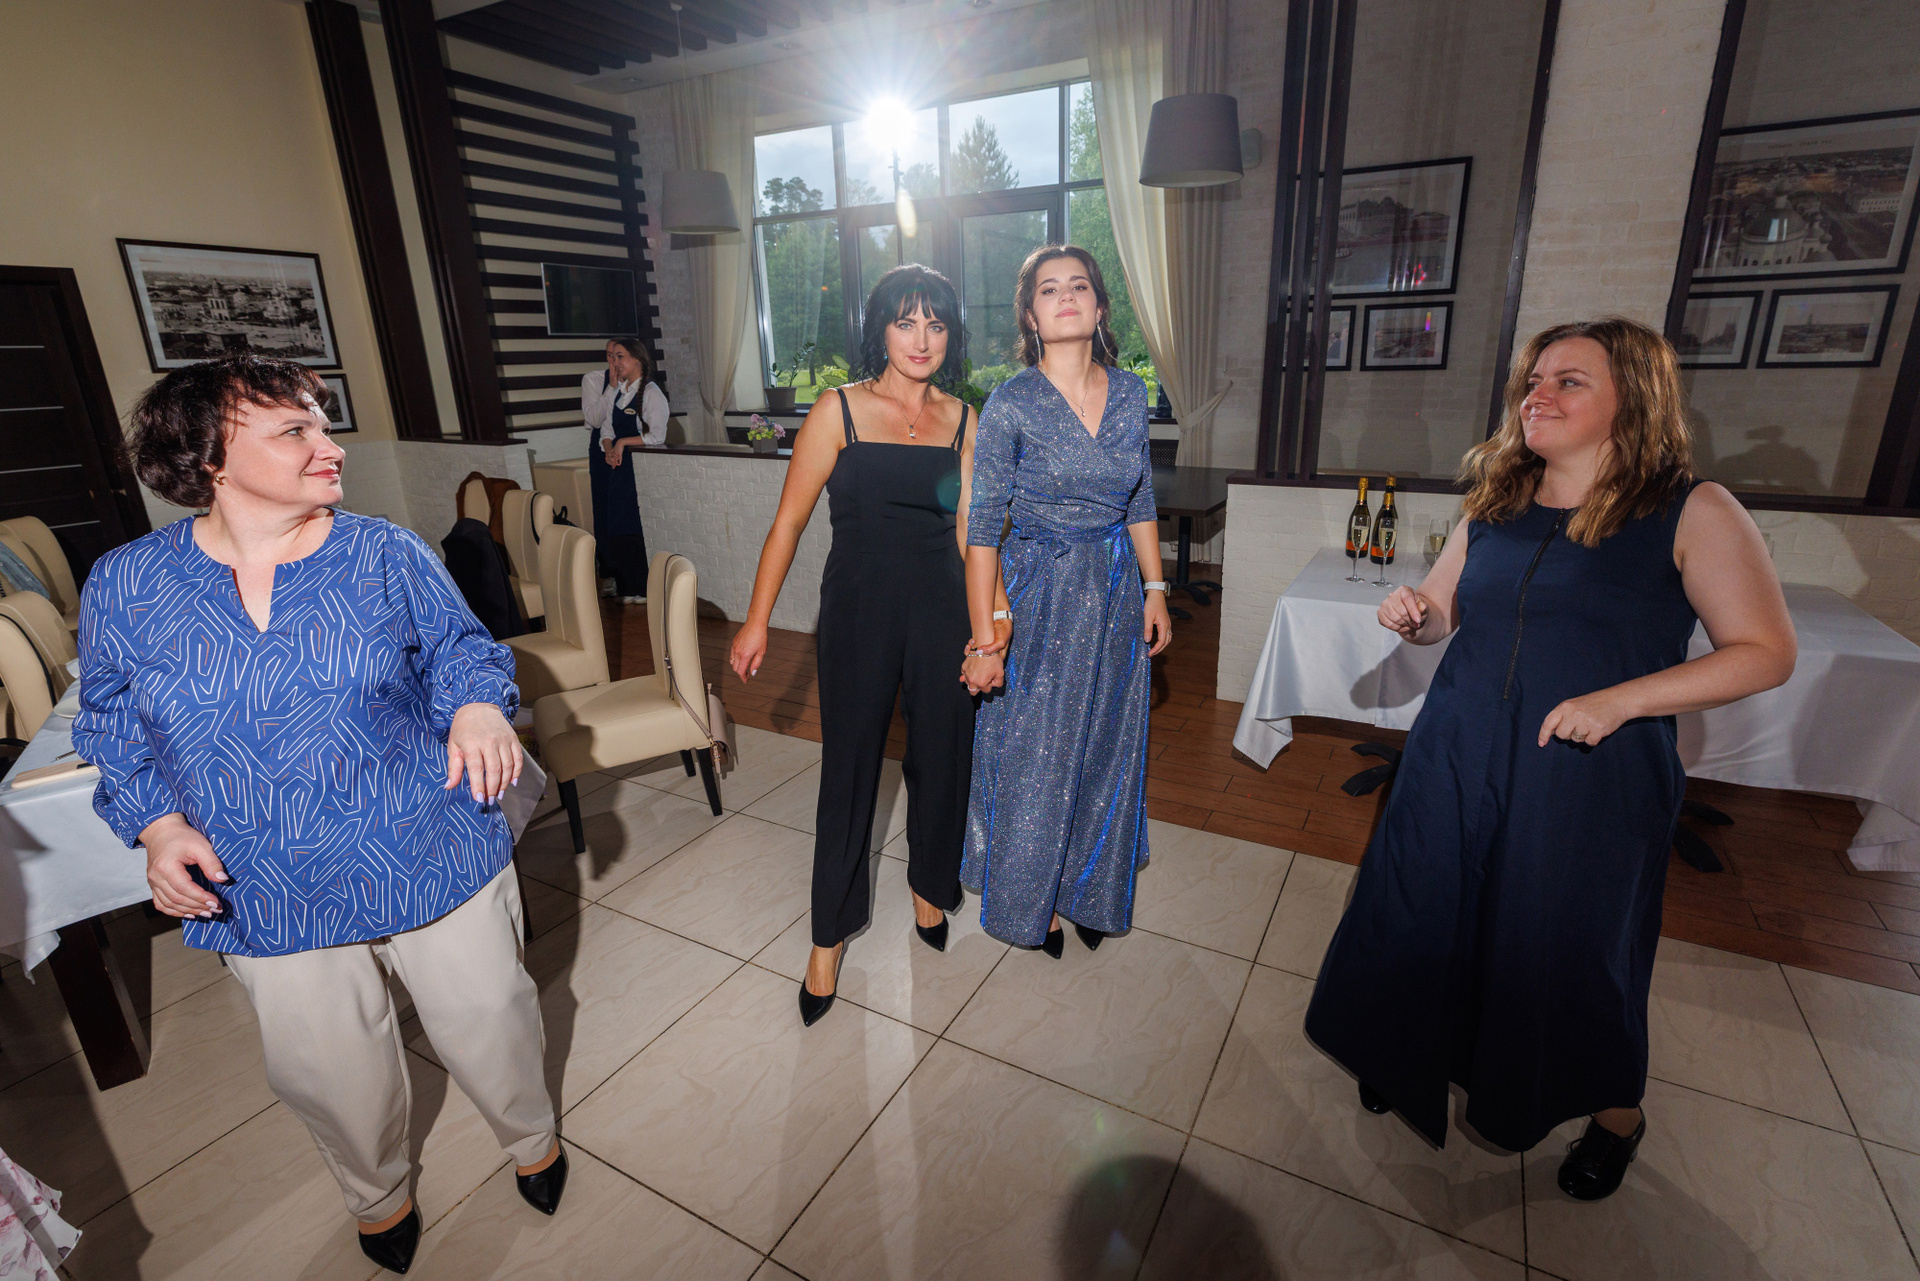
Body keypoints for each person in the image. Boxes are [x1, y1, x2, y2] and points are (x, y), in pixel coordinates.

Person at [73, 356, 567, 1275]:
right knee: (329, 1067)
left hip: (424, 841)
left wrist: (476, 704)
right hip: (263, 879)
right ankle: (378, 1195)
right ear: (209, 458)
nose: (329, 446)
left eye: (322, 424)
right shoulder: (126, 584)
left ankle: (531, 1139)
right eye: (294, 429)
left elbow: (462, 650)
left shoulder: (384, 553)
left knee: (489, 1017)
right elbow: (110, 724)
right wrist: (158, 826)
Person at [1303, 317, 1797, 1201]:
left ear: (1634, 398)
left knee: (1566, 946)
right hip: (1457, 750)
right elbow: (1446, 613)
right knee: (1427, 911)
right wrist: (1417, 615)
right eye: (1534, 379)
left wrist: (1621, 700)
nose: (1539, 393)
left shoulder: (1692, 509)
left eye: (1570, 380)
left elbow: (1765, 651)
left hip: (1588, 775)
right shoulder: (1496, 500)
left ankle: (1616, 1116)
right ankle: (1408, 1049)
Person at [729, 265, 1006, 1026]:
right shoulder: (839, 410)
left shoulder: (963, 418)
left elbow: (972, 535)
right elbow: (788, 521)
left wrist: (992, 624)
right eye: (905, 322)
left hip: (943, 610)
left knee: (943, 760)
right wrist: (756, 620)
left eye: (936, 325)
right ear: (879, 329)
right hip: (857, 610)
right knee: (849, 771)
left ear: (950, 336)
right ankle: (828, 936)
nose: (921, 339)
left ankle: (929, 887)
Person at [960, 245, 1172, 956]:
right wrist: (986, 637)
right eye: (1049, 289)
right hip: (1041, 592)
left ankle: (1089, 886)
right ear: (1030, 315)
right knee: (1038, 752)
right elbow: (982, 529)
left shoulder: (1134, 393)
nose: (1066, 296)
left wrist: (1156, 588)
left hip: (1116, 592)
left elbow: (1141, 498)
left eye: (1079, 285)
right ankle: (1034, 898)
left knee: (1107, 745)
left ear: (1101, 306)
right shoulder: (1011, 402)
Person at [581, 336, 667, 602]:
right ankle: (628, 587)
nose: (615, 362)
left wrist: (622, 443)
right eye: (613, 357)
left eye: (620, 357)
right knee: (617, 525)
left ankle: (644, 587)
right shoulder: (617, 392)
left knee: (635, 525)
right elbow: (605, 428)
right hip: (617, 466)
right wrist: (609, 448)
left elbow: (657, 436)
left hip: (638, 467)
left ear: (637, 359)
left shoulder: (651, 393)